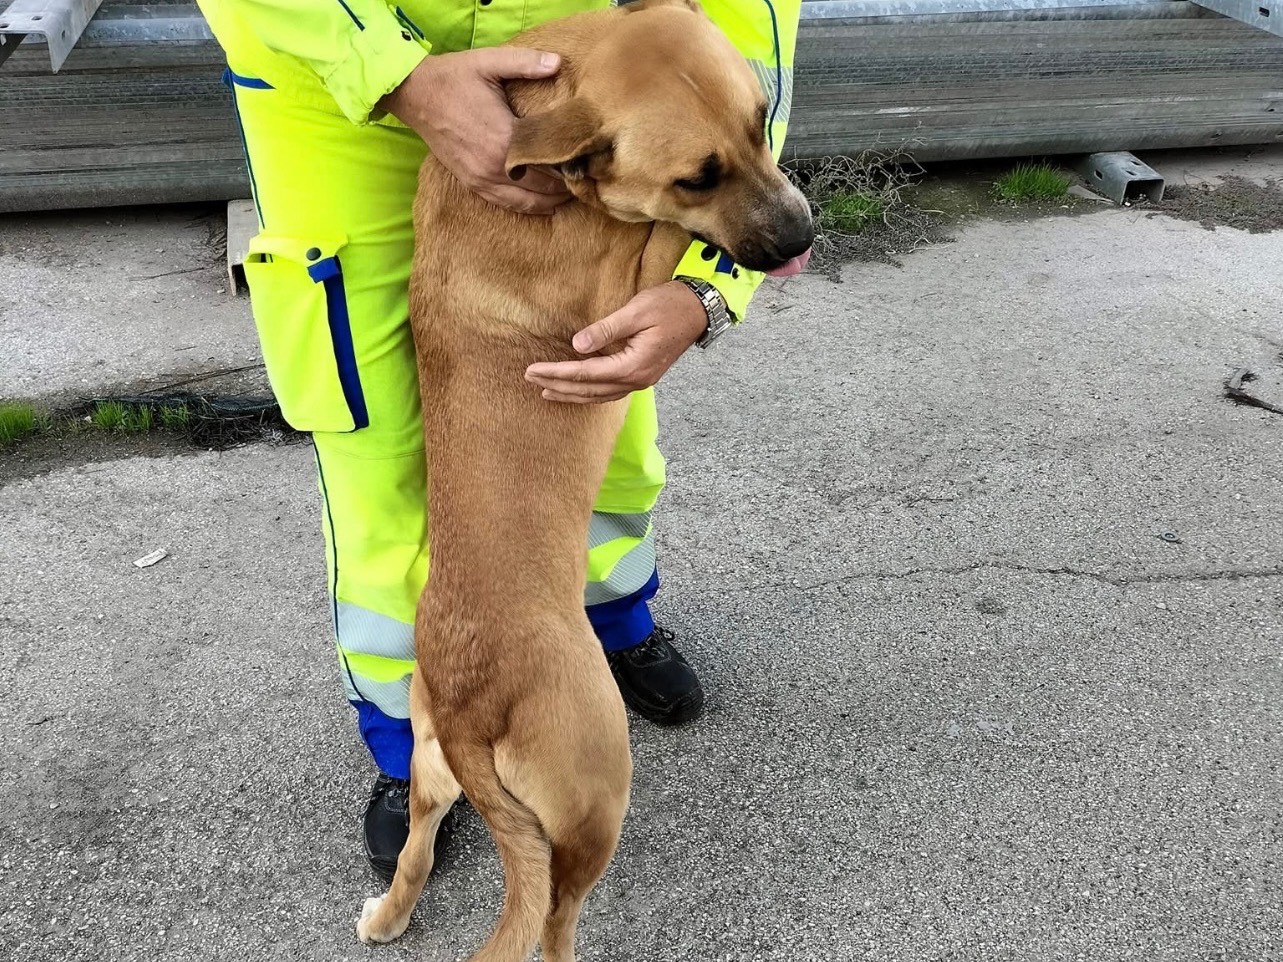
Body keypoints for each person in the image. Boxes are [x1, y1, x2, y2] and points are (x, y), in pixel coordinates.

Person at [196, 0, 803, 879]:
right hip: (336, 84)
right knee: (378, 441)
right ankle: (414, 742)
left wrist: (707, 289)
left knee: (594, 386)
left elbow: (749, 44)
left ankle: (612, 619)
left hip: (593, 56)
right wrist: (391, 73)